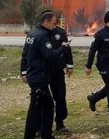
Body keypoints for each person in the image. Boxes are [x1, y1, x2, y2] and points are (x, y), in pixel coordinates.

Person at [21, 11, 71, 139]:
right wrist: (63, 48)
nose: (55, 26)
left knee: (48, 107)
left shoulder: (32, 33)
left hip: (37, 75)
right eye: (54, 23)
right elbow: (50, 55)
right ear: (46, 22)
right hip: (39, 77)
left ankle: (46, 134)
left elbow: (25, 53)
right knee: (35, 110)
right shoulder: (42, 36)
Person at [49, 21, 74, 132]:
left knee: (60, 97)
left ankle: (60, 123)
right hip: (44, 71)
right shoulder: (39, 34)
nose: (54, 23)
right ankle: (40, 127)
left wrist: (69, 65)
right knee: (43, 99)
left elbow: (67, 48)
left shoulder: (60, 32)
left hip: (58, 71)